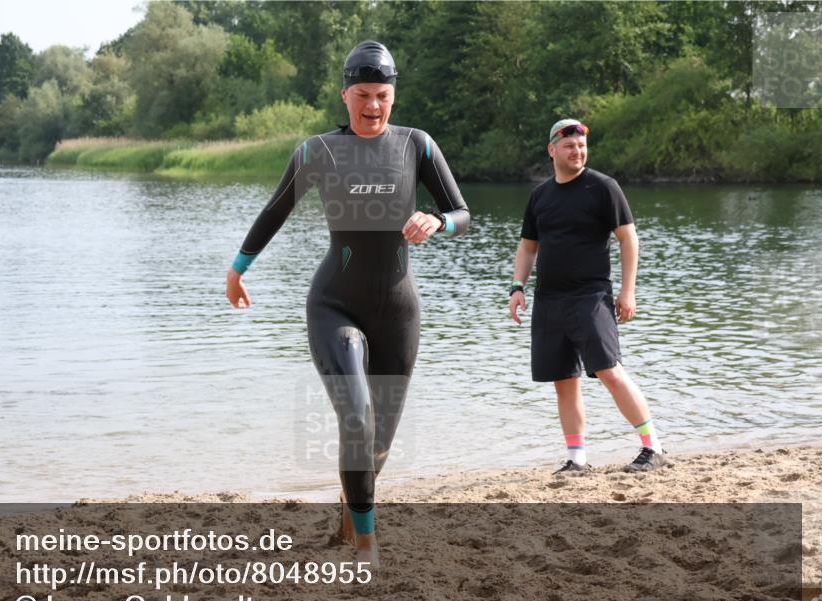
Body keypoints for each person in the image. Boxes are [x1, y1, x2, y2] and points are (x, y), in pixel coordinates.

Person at [226, 41, 470, 562]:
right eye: (363, 94)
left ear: (393, 97)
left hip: (400, 312)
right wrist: (238, 269)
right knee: (357, 418)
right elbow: (276, 210)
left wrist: (439, 221)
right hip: (334, 304)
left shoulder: (417, 146)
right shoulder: (318, 151)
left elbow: (462, 212)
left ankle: (348, 512)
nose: (373, 105)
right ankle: (366, 543)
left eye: (382, 95)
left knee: (378, 443)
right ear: (345, 95)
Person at [509, 119, 666, 474]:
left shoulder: (603, 188)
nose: (577, 151)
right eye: (569, 146)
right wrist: (517, 286)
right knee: (564, 380)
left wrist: (628, 291)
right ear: (552, 150)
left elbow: (629, 238)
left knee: (609, 370)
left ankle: (652, 446)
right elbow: (527, 246)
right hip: (548, 300)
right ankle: (577, 459)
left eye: (581, 146)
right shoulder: (540, 196)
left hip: (591, 295)